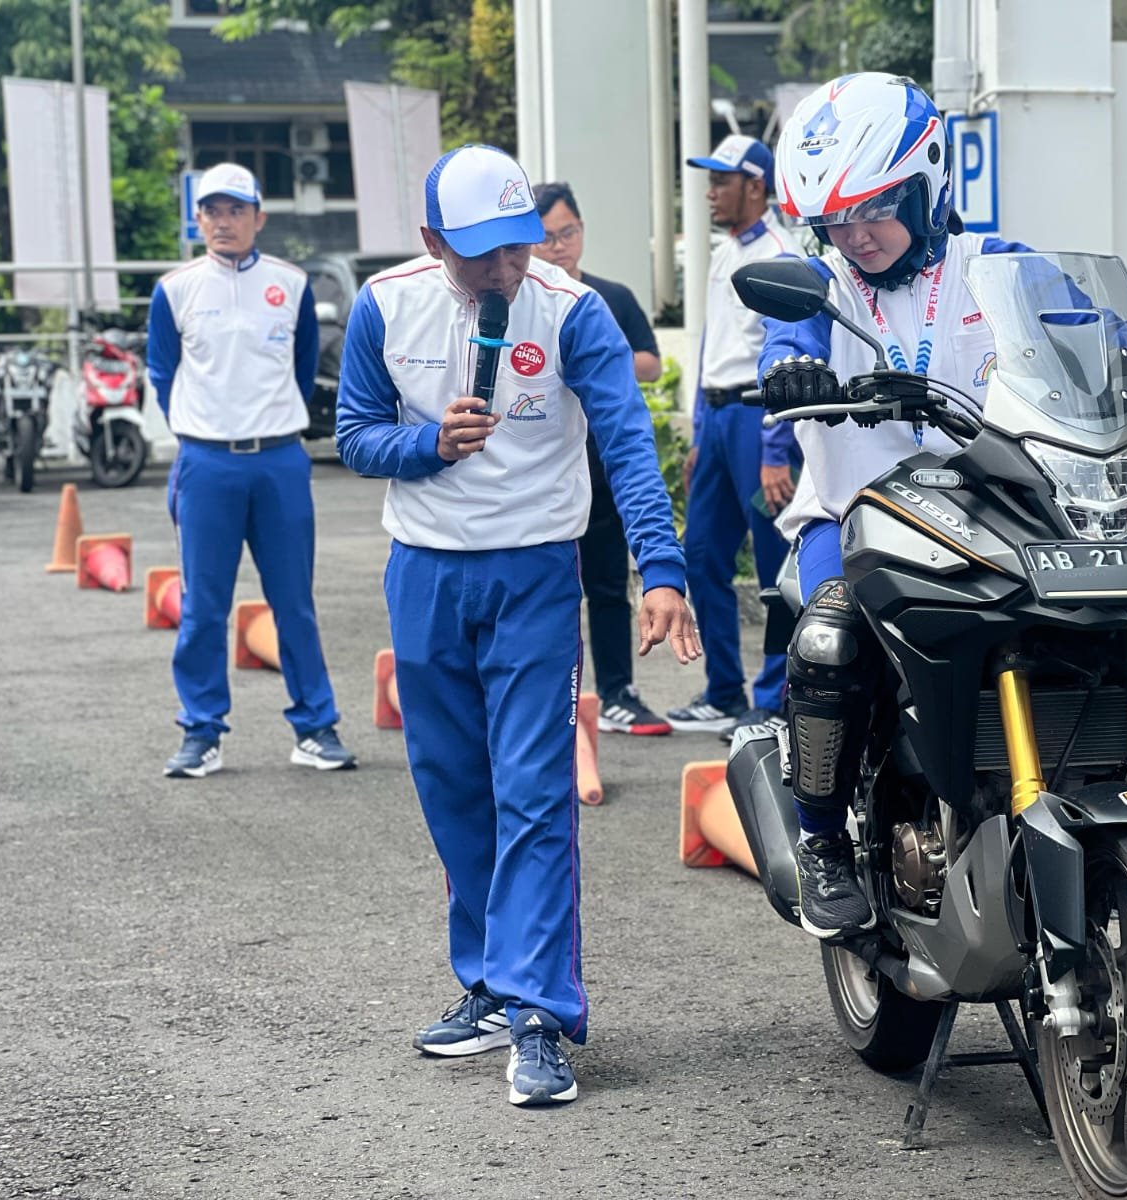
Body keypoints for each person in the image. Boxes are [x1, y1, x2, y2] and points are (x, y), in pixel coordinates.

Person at [759, 73, 1127, 940]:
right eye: (835, 220)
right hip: (855, 516)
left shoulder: (996, 267)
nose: (856, 235)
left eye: (875, 208)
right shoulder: (823, 285)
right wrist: (792, 375)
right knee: (830, 635)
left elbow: (1100, 331)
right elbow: (787, 340)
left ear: (928, 181)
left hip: (995, 508)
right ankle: (823, 846)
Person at [334, 144, 699, 1107]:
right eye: (482, 254)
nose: (506, 271)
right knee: (452, 785)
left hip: (537, 572)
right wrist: (425, 444)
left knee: (535, 791)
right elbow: (353, 433)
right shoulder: (386, 304)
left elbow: (626, 441)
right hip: (425, 572)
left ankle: (541, 1014)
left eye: (519, 249)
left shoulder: (570, 310)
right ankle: (489, 984)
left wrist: (661, 570)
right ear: (431, 241)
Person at [146, 162, 354, 780]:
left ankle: (315, 727)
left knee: (294, 601)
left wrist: (268, 424)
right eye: (211, 210)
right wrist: (198, 430)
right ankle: (201, 731)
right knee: (203, 606)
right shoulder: (175, 288)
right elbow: (163, 373)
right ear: (198, 218)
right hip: (206, 461)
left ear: (259, 217)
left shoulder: (291, 285)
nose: (223, 221)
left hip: (279, 461)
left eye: (236, 210)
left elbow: (298, 367)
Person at [664, 134, 805, 736]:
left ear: (755, 184)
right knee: (701, 556)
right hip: (719, 421)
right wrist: (698, 432)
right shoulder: (725, 251)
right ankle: (723, 690)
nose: (709, 191)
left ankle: (773, 699)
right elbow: (709, 349)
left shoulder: (779, 252)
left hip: (757, 422)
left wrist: (776, 451)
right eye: (709, 180)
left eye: (722, 180)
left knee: (774, 562)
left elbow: (787, 360)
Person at [531, 180, 671, 737]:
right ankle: (548, 700)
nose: (558, 246)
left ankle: (617, 692)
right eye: (544, 238)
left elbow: (652, 362)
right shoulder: (524, 302)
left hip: (603, 466)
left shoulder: (609, 297)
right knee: (546, 589)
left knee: (609, 585)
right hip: (541, 474)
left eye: (567, 233)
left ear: (582, 231)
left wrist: (594, 362)